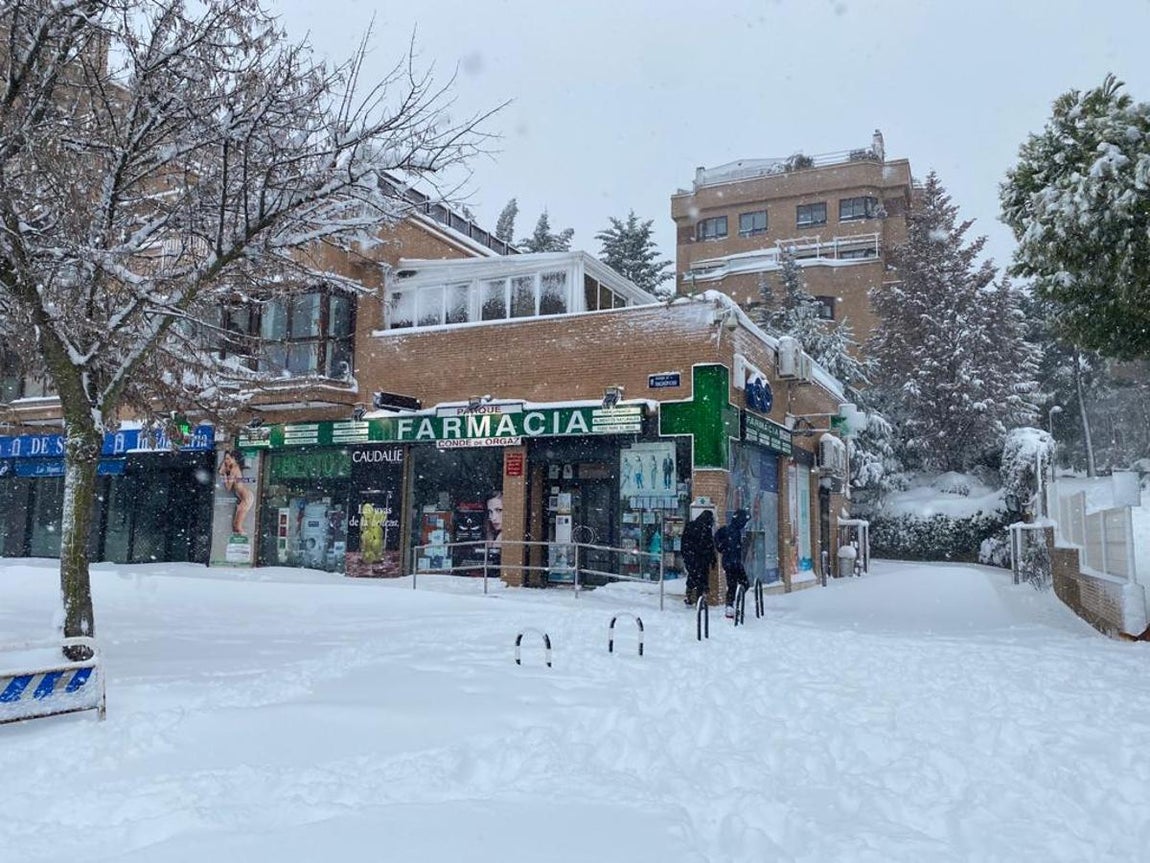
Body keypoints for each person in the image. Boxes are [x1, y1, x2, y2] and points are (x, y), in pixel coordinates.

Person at [715, 509, 751, 618]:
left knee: (734, 585)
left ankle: (732, 605)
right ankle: (731, 606)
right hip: (732, 563)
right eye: (744, 521)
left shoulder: (731, 530)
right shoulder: (734, 531)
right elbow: (733, 549)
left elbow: (722, 546)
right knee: (737, 585)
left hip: (730, 562)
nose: (744, 524)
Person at [680, 509, 716, 606]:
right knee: (702, 579)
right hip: (702, 558)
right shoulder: (706, 528)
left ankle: (690, 596)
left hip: (691, 557)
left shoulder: (690, 525)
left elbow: (684, 542)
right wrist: (712, 558)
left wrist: (685, 555)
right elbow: (709, 545)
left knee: (692, 576)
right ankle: (699, 599)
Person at [219, 449, 253, 537]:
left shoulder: (234, 469)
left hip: (246, 497)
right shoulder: (233, 468)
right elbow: (221, 470)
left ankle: (244, 540)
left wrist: (224, 475)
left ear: (234, 458)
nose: (226, 461)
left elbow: (228, 487)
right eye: (225, 459)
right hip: (244, 496)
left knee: (238, 527)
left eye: (228, 459)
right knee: (235, 526)